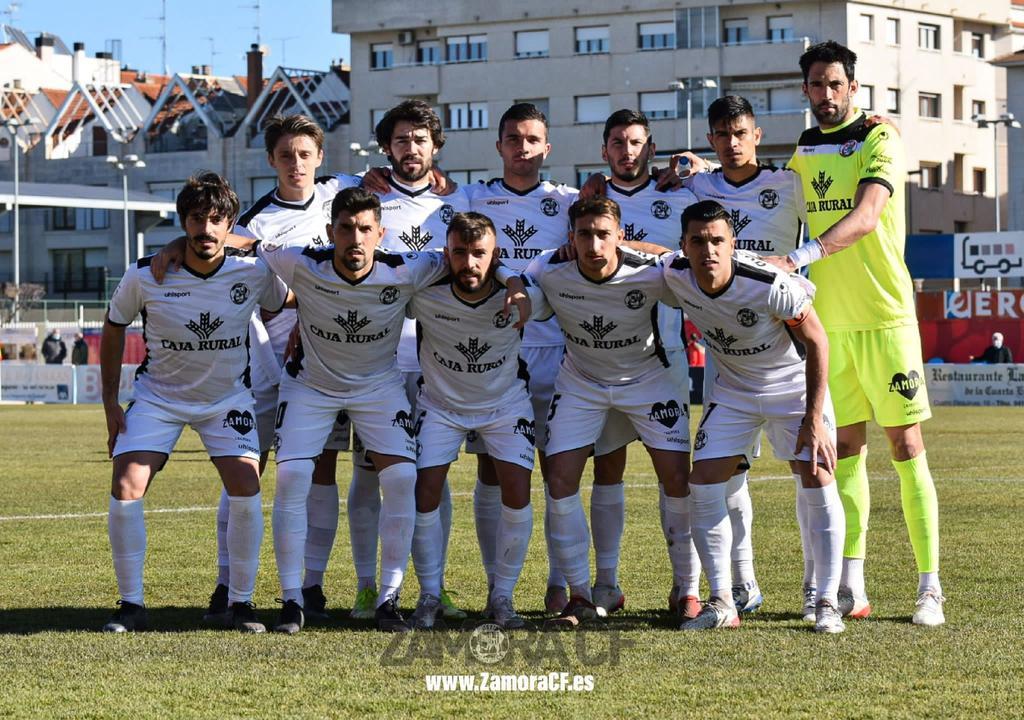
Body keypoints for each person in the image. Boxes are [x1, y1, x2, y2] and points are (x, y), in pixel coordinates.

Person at [228, 187, 526, 633]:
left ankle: (389, 597)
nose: (355, 238)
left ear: (380, 233)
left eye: (365, 229)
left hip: (379, 388)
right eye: (345, 228)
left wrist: (514, 280)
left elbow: (474, 260)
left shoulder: (408, 268)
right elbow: (241, 241)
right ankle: (293, 599)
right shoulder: (300, 261)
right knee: (292, 478)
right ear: (330, 232)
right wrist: (176, 245)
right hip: (312, 387)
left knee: (404, 477)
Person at [150, 114, 361, 626]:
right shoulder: (257, 223)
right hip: (271, 366)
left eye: (304, 154)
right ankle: (226, 583)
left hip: (328, 360)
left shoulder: (345, 193)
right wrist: (175, 245)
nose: (296, 164)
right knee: (247, 470)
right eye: (285, 155)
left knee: (320, 472)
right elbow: (218, 244)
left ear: (320, 158)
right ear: (271, 160)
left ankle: (311, 586)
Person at [766, 40, 944, 626]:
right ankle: (851, 585)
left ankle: (929, 588)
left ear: (853, 87)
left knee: (906, 448)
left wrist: (805, 254)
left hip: (886, 318)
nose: (825, 93)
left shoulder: (879, 138)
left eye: (835, 83)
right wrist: (701, 170)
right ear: (807, 90)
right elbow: (767, 191)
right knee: (844, 454)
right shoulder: (805, 148)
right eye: (816, 84)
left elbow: (868, 215)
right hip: (830, 326)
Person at [463, 102, 635, 616]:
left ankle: (564, 584)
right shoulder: (472, 198)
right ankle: (501, 587)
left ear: (547, 147)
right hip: (492, 353)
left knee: (563, 471)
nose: (522, 148)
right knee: (494, 470)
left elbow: (634, 195)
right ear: (498, 147)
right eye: (513, 139)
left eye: (532, 140)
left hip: (561, 351)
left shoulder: (569, 202)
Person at [99, 172, 288, 634]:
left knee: (247, 484)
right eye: (197, 219)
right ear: (184, 222)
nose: (206, 229)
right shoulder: (146, 274)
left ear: (230, 225)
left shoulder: (254, 272)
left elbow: (288, 300)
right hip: (158, 398)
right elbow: (112, 325)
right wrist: (109, 401)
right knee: (126, 485)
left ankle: (241, 605)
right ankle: (131, 606)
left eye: (217, 219)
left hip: (227, 400)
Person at [663, 200, 843, 633]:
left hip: (792, 385)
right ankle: (723, 601)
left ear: (733, 243)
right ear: (684, 246)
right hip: (735, 390)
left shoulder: (768, 282)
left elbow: (818, 342)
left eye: (718, 241)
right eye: (699, 241)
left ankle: (826, 602)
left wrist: (813, 419)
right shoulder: (675, 273)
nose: (709, 250)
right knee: (703, 483)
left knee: (816, 477)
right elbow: (644, 253)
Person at [524, 196, 693, 628]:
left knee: (676, 479)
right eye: (584, 234)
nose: (594, 245)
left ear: (620, 236)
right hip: (582, 382)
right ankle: (580, 596)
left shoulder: (652, 271)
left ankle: (687, 589)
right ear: (571, 238)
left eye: (604, 235)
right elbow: (519, 284)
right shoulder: (550, 269)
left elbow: (692, 263)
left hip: (649, 381)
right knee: (560, 480)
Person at [344, 100, 472, 622]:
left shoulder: (458, 202)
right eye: (401, 140)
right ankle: (367, 587)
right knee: (369, 474)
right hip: (379, 358)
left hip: (441, 356)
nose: (411, 149)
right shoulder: (362, 193)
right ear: (386, 148)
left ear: (436, 146)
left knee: (432, 476)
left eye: (420, 139)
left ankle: (432, 590)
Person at [686, 94, 812, 619]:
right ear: (711, 140)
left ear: (757, 134)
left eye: (741, 132)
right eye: (722, 134)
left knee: (812, 469)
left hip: (790, 341)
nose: (733, 142)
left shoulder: (790, 183)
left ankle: (818, 589)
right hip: (729, 350)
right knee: (728, 471)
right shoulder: (698, 185)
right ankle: (744, 581)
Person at [408, 212, 543, 629]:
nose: (469, 263)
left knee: (517, 493)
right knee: (424, 493)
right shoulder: (422, 292)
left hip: (505, 406)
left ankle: (502, 597)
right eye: (459, 253)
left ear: (496, 255)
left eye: (479, 254)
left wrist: (514, 281)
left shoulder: (523, 295)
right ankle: (429, 594)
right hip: (440, 405)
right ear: (445, 254)